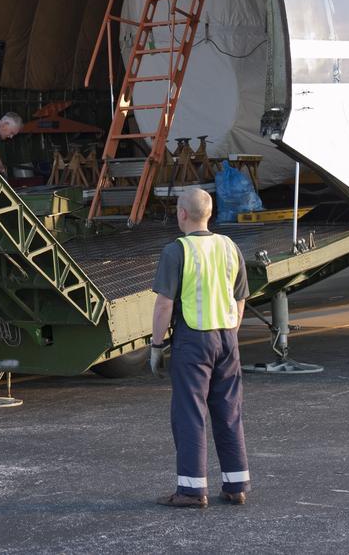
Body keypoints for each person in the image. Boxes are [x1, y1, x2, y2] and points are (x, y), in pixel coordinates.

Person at [150, 186, 250, 508]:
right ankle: (236, 486)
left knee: (190, 414)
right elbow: (240, 298)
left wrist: (156, 345)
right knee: (228, 412)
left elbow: (164, 304)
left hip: (193, 340)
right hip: (227, 338)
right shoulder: (230, 246)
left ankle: (192, 490)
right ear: (210, 214)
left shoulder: (176, 250)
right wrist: (231, 333)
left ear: (182, 214)